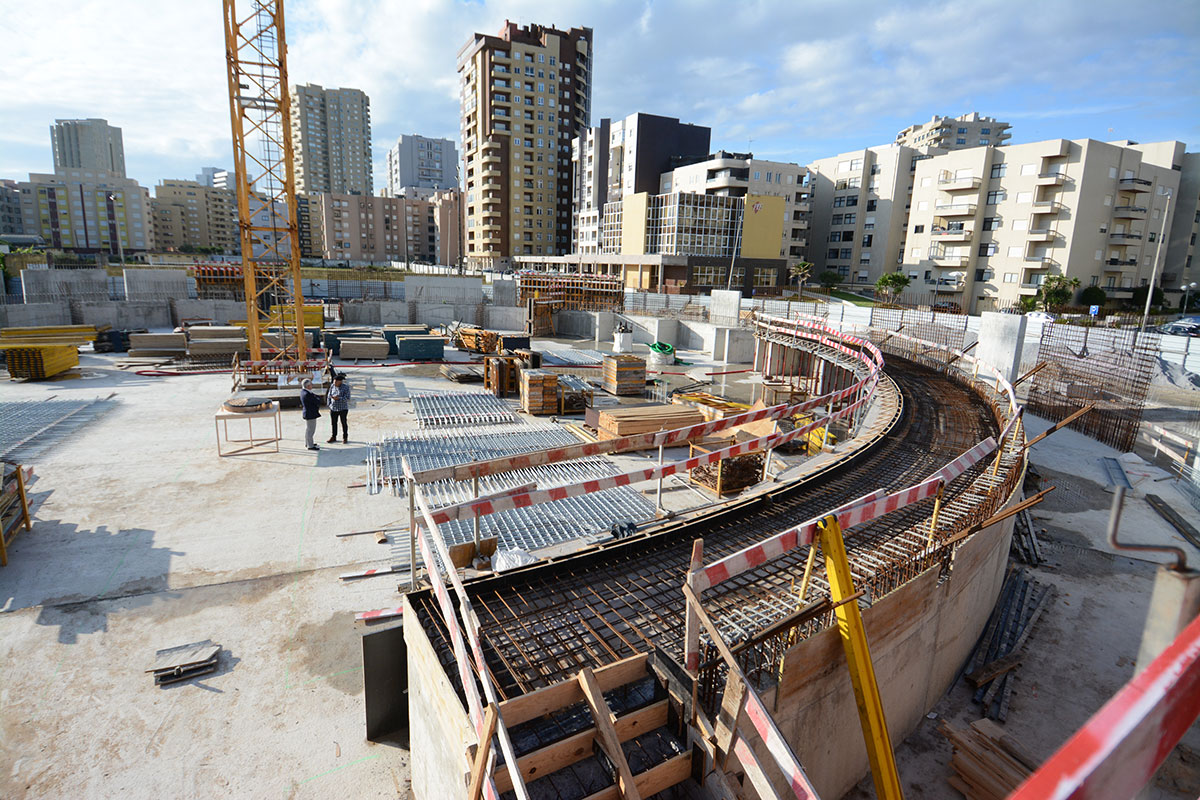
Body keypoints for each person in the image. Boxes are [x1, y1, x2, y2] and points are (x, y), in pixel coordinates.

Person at [326, 373, 351, 444]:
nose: (335, 383)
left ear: (340, 381)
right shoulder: (332, 386)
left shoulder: (345, 387)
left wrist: (339, 398)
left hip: (343, 408)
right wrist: (329, 404)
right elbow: (329, 395)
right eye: (334, 382)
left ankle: (345, 437)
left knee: (344, 423)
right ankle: (333, 436)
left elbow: (347, 398)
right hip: (333, 408)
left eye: (336, 382)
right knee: (333, 423)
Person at [300, 379, 321, 451]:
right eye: (311, 384)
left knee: (308, 429)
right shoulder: (307, 394)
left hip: (308, 413)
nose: (312, 385)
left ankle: (308, 442)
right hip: (310, 413)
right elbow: (317, 401)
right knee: (311, 430)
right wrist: (317, 398)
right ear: (308, 386)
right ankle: (310, 445)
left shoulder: (304, 392)